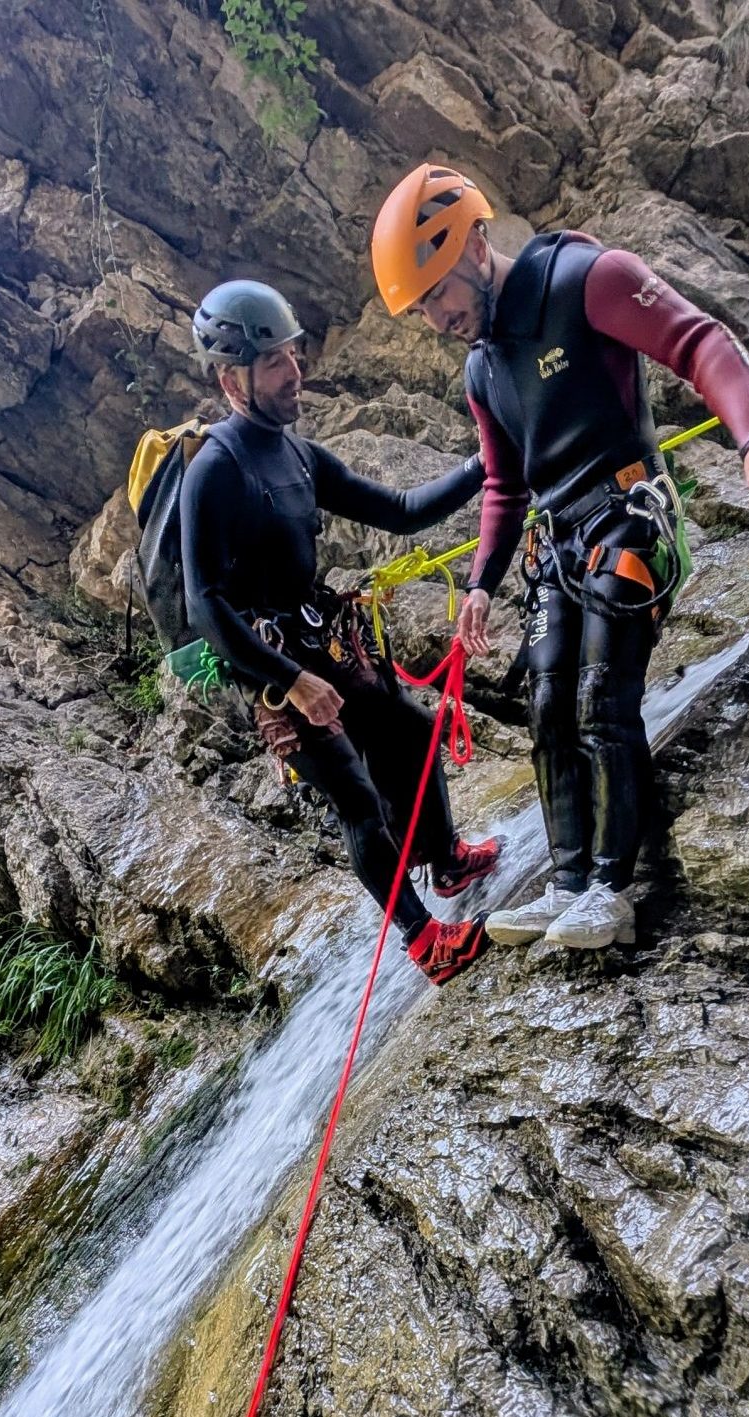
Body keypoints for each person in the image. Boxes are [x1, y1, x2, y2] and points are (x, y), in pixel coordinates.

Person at [370, 163, 749, 950]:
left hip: (630, 518)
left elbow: (697, 340)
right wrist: (480, 584)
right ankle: (569, 879)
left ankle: (612, 891)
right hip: (560, 544)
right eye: (422, 308)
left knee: (597, 698)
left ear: (475, 245)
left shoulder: (586, 276)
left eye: (439, 291)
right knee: (547, 706)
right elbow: (506, 485)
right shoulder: (482, 369)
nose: (437, 316)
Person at [181, 279, 502, 984]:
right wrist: (290, 683)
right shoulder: (214, 470)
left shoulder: (297, 454)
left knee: (414, 734)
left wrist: (489, 463)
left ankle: (445, 861)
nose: (295, 373)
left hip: (322, 642)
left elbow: (401, 510)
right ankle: (424, 942)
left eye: (294, 356)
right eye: (275, 364)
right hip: (276, 673)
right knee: (356, 795)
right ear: (231, 377)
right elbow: (205, 604)